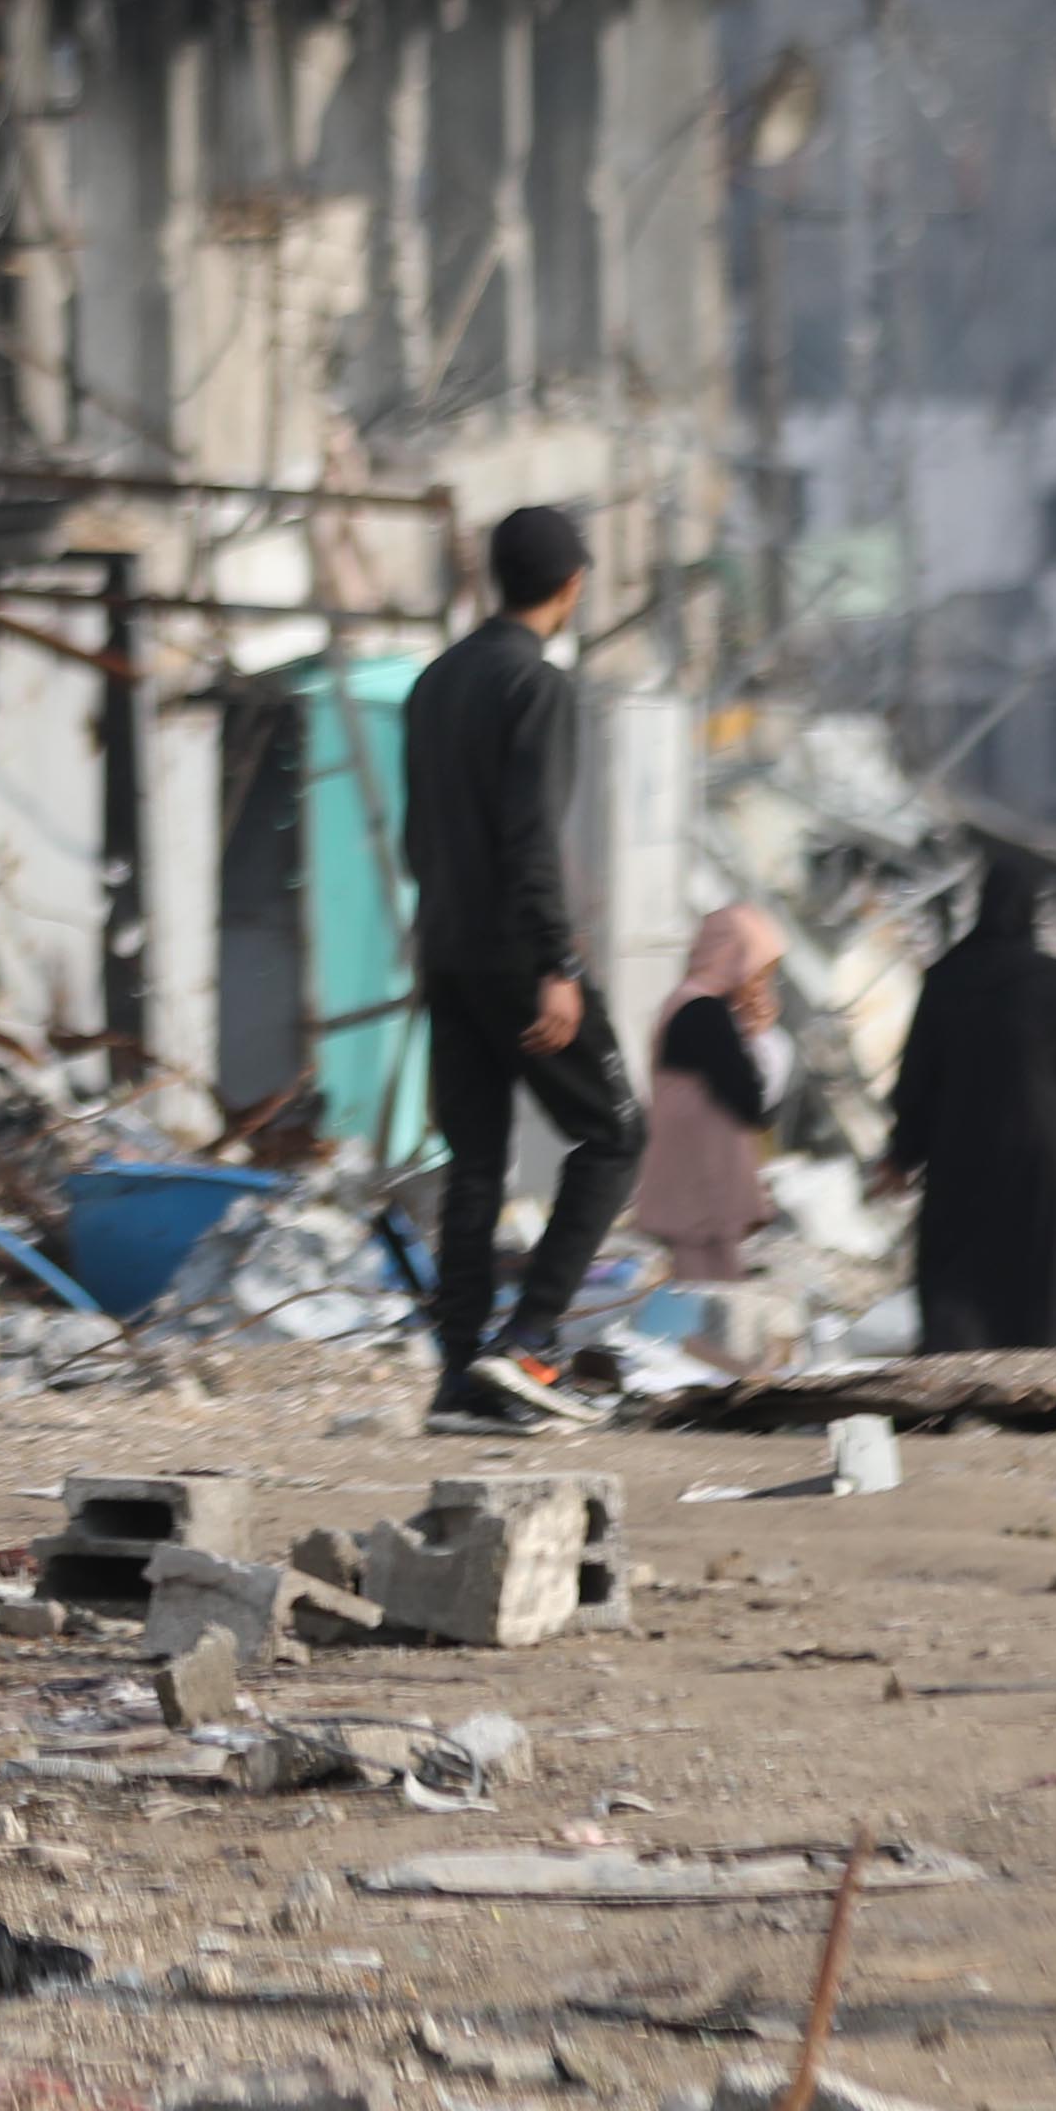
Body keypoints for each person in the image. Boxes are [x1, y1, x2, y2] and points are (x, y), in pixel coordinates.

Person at [405, 506, 639, 1433]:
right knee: (615, 1135)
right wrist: (558, 960)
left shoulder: (434, 682)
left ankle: (460, 1377)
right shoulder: (536, 687)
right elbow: (530, 835)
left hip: (448, 952)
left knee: (475, 1162)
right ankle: (530, 1341)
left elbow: (422, 834)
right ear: (573, 585)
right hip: (515, 954)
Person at [886, 843, 1056, 1350]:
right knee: (1041, 1272)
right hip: (1042, 1156)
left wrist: (902, 1153)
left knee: (964, 1270)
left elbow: (918, 1078)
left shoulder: (945, 979)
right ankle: (1048, 1380)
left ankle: (962, 1371)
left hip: (961, 1153)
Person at [632, 901, 790, 1289]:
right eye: (759, 970)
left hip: (692, 1194)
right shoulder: (704, 1012)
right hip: (701, 1197)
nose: (760, 984)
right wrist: (759, 1035)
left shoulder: (686, 1004)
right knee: (711, 1302)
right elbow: (752, 1103)